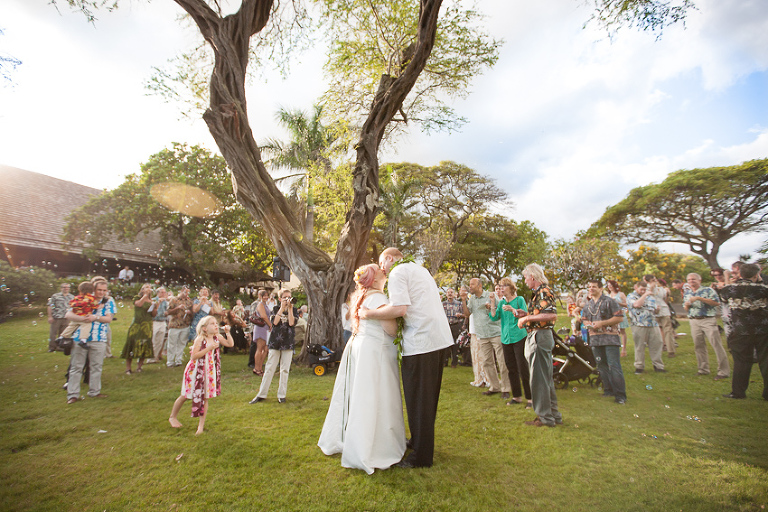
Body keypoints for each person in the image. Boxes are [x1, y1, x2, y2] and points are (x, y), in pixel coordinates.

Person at [360, 248, 454, 468]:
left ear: (391, 258)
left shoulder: (398, 272)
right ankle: (420, 442)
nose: (382, 268)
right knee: (427, 400)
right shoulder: (419, 270)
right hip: (437, 340)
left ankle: (421, 458)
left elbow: (400, 308)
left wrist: (369, 313)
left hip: (422, 343)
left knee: (418, 400)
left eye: (382, 263)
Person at [318, 264, 406, 474]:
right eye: (379, 270)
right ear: (374, 279)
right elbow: (391, 330)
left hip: (359, 347)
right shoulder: (380, 299)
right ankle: (373, 447)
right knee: (375, 397)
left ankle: (354, 440)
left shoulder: (361, 297)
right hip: (376, 351)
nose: (384, 271)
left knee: (360, 395)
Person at [168, 315, 234, 434]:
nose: (215, 325)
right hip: (195, 371)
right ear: (204, 328)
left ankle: (200, 427)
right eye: (212, 324)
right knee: (185, 395)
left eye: (216, 323)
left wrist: (228, 333)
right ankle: (172, 417)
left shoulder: (217, 337)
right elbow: (194, 356)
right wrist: (208, 348)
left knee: (205, 397)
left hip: (209, 371)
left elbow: (230, 344)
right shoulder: (200, 339)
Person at [516, 263, 563, 428]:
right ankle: (553, 416)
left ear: (533, 277)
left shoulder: (543, 292)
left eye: (525, 277)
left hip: (540, 336)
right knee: (545, 378)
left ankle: (544, 418)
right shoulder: (540, 293)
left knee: (539, 380)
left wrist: (527, 319)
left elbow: (550, 315)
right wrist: (526, 314)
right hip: (541, 336)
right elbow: (542, 314)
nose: (525, 280)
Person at [716, 263, 768, 400]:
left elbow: (724, 297)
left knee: (741, 362)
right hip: (762, 329)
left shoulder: (731, 288)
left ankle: (738, 392)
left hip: (740, 330)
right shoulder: (763, 289)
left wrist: (727, 277)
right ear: (756, 274)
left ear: (740, 274)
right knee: (765, 361)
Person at [65, 278, 115, 403]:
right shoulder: (83, 299)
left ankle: (94, 392)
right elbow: (68, 315)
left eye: (104, 290)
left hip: (99, 338)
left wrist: (95, 317)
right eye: (99, 290)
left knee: (96, 366)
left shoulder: (108, 302)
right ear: (94, 289)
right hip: (80, 337)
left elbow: (109, 319)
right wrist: (82, 319)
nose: (101, 292)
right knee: (76, 367)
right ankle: (73, 394)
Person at [462, 277, 510, 399]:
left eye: (472, 284)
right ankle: (495, 387)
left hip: (495, 333)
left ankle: (506, 388)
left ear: (479, 286)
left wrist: (491, 307)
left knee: (502, 361)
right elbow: (467, 314)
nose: (470, 286)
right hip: (482, 335)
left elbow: (502, 310)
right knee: (487, 362)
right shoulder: (472, 299)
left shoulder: (491, 295)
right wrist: (463, 299)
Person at [581, 279, 627, 404]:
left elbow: (619, 317)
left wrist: (602, 323)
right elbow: (584, 318)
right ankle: (608, 390)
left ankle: (620, 395)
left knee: (614, 365)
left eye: (594, 286)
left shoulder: (609, 301)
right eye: (589, 286)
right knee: (601, 366)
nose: (591, 289)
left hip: (610, 338)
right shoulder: (588, 305)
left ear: (601, 288)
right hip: (595, 339)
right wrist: (588, 324)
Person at [249, 288, 298, 403]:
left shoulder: (294, 310)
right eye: (285, 297)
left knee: (284, 369)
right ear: (280, 299)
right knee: (270, 368)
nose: (287, 299)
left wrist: (290, 309)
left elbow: (291, 323)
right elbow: (274, 322)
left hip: (288, 341)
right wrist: (282, 308)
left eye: (289, 296)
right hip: (275, 341)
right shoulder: (275, 309)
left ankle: (281, 395)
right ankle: (261, 394)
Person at [489, 277, 531, 407]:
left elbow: (526, 315)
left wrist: (512, 310)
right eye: (500, 287)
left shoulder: (519, 300)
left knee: (522, 367)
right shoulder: (501, 303)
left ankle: (530, 398)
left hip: (519, 336)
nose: (501, 289)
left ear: (511, 288)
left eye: (504, 286)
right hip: (506, 338)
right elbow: (494, 317)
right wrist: (492, 303)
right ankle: (517, 396)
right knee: (511, 368)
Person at [684, 272, 730, 381]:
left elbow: (716, 303)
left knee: (716, 344)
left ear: (699, 280)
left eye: (693, 279)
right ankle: (703, 369)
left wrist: (700, 298)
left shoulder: (708, 290)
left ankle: (723, 371)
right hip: (694, 320)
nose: (691, 281)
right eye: (689, 279)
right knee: (698, 346)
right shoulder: (687, 292)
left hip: (707, 320)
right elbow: (686, 309)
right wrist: (687, 305)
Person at [626, 280, 666, 374]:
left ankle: (658, 366)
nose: (643, 291)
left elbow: (653, 310)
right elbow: (636, 304)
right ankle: (639, 367)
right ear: (636, 287)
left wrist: (657, 310)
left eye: (645, 289)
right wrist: (645, 295)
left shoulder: (651, 297)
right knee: (640, 346)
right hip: (639, 325)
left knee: (657, 344)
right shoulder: (631, 296)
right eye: (641, 289)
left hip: (652, 324)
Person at [121, 283, 154, 374]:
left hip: (147, 325)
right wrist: (145, 296)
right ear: (142, 290)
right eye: (146, 287)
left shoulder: (152, 301)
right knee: (131, 343)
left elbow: (153, 314)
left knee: (144, 344)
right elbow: (139, 304)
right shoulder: (137, 298)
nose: (148, 289)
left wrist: (156, 306)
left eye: (149, 288)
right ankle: (128, 368)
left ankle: (139, 367)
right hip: (137, 324)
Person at [166, 286, 193, 367]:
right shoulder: (174, 299)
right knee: (172, 344)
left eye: (188, 292)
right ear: (181, 291)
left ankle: (178, 360)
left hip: (185, 325)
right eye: (185, 292)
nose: (186, 294)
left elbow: (192, 313)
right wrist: (177, 308)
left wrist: (189, 312)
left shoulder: (189, 301)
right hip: (175, 325)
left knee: (181, 343)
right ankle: (170, 361)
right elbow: (168, 312)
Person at [249, 289, 272, 376]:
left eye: (267, 295)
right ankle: (256, 368)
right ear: (260, 296)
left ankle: (260, 367)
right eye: (264, 296)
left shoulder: (266, 305)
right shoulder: (260, 305)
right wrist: (270, 325)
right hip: (261, 328)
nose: (266, 297)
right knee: (260, 348)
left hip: (266, 328)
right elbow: (264, 316)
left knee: (266, 349)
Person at [47, 283, 73, 352]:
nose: (66, 288)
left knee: (63, 333)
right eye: (64, 287)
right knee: (53, 333)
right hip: (56, 317)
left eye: (67, 287)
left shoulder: (71, 297)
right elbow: (50, 306)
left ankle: (60, 347)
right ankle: (52, 347)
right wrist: (50, 316)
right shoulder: (55, 296)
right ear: (61, 288)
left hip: (66, 318)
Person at [442, 288, 465, 368]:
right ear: (446, 294)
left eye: (451, 292)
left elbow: (465, 314)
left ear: (454, 294)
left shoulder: (459, 304)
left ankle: (454, 363)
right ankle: (445, 362)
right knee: (446, 344)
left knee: (455, 344)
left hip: (455, 325)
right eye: (448, 292)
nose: (450, 294)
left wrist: (460, 315)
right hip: (446, 326)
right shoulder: (443, 304)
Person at [606, 280, 629, 357]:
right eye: (608, 285)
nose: (609, 287)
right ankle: (616, 349)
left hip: (620, 314)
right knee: (614, 332)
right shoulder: (608, 295)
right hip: (612, 315)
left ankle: (624, 349)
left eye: (611, 285)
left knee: (622, 331)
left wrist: (618, 303)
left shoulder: (620, 294)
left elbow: (627, 304)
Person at [148, 286, 169, 363]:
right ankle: (149, 357)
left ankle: (155, 357)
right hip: (155, 321)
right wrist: (158, 302)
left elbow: (168, 310)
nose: (163, 294)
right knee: (153, 339)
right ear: (157, 293)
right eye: (161, 292)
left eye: (164, 292)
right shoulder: (153, 300)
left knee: (159, 341)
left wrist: (167, 313)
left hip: (163, 321)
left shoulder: (166, 302)